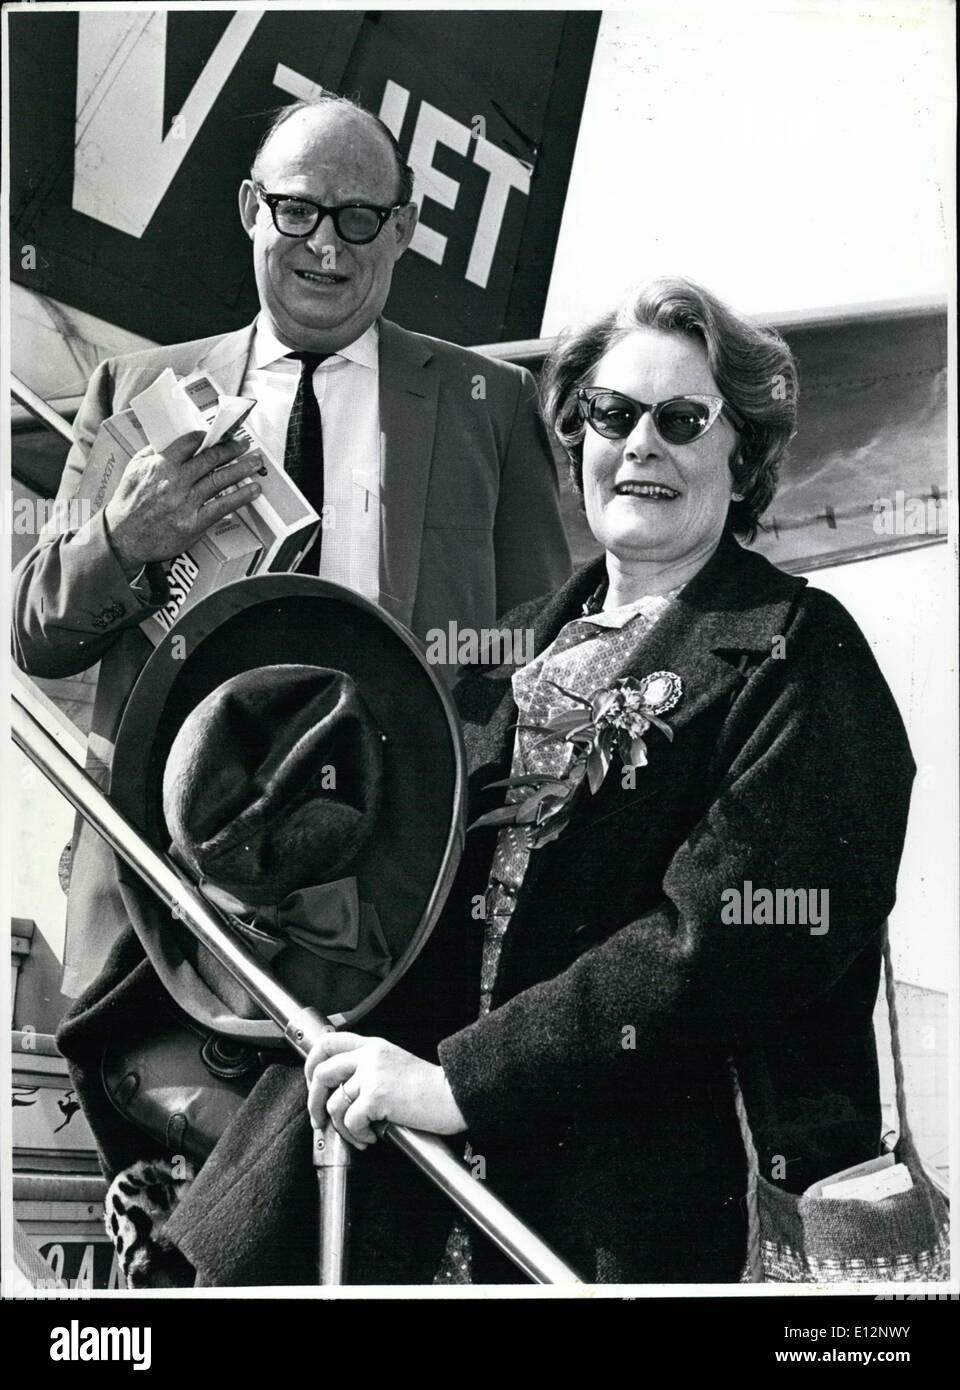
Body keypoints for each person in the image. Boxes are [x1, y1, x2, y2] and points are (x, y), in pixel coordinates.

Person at [297, 276, 917, 1284]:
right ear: (577, 436)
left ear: (742, 452)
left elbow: (718, 947)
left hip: (666, 1226)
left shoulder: (802, 658)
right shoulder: (501, 663)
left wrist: (458, 1081)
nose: (642, 445)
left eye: (682, 419)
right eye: (613, 415)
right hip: (453, 1205)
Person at [12, 93, 570, 997]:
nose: (325, 247)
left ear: (405, 228)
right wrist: (122, 539)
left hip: (395, 896)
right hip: (166, 901)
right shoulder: (135, 390)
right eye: (297, 211)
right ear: (249, 209)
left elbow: (540, 668)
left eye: (359, 220)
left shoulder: (493, 407)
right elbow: (35, 634)